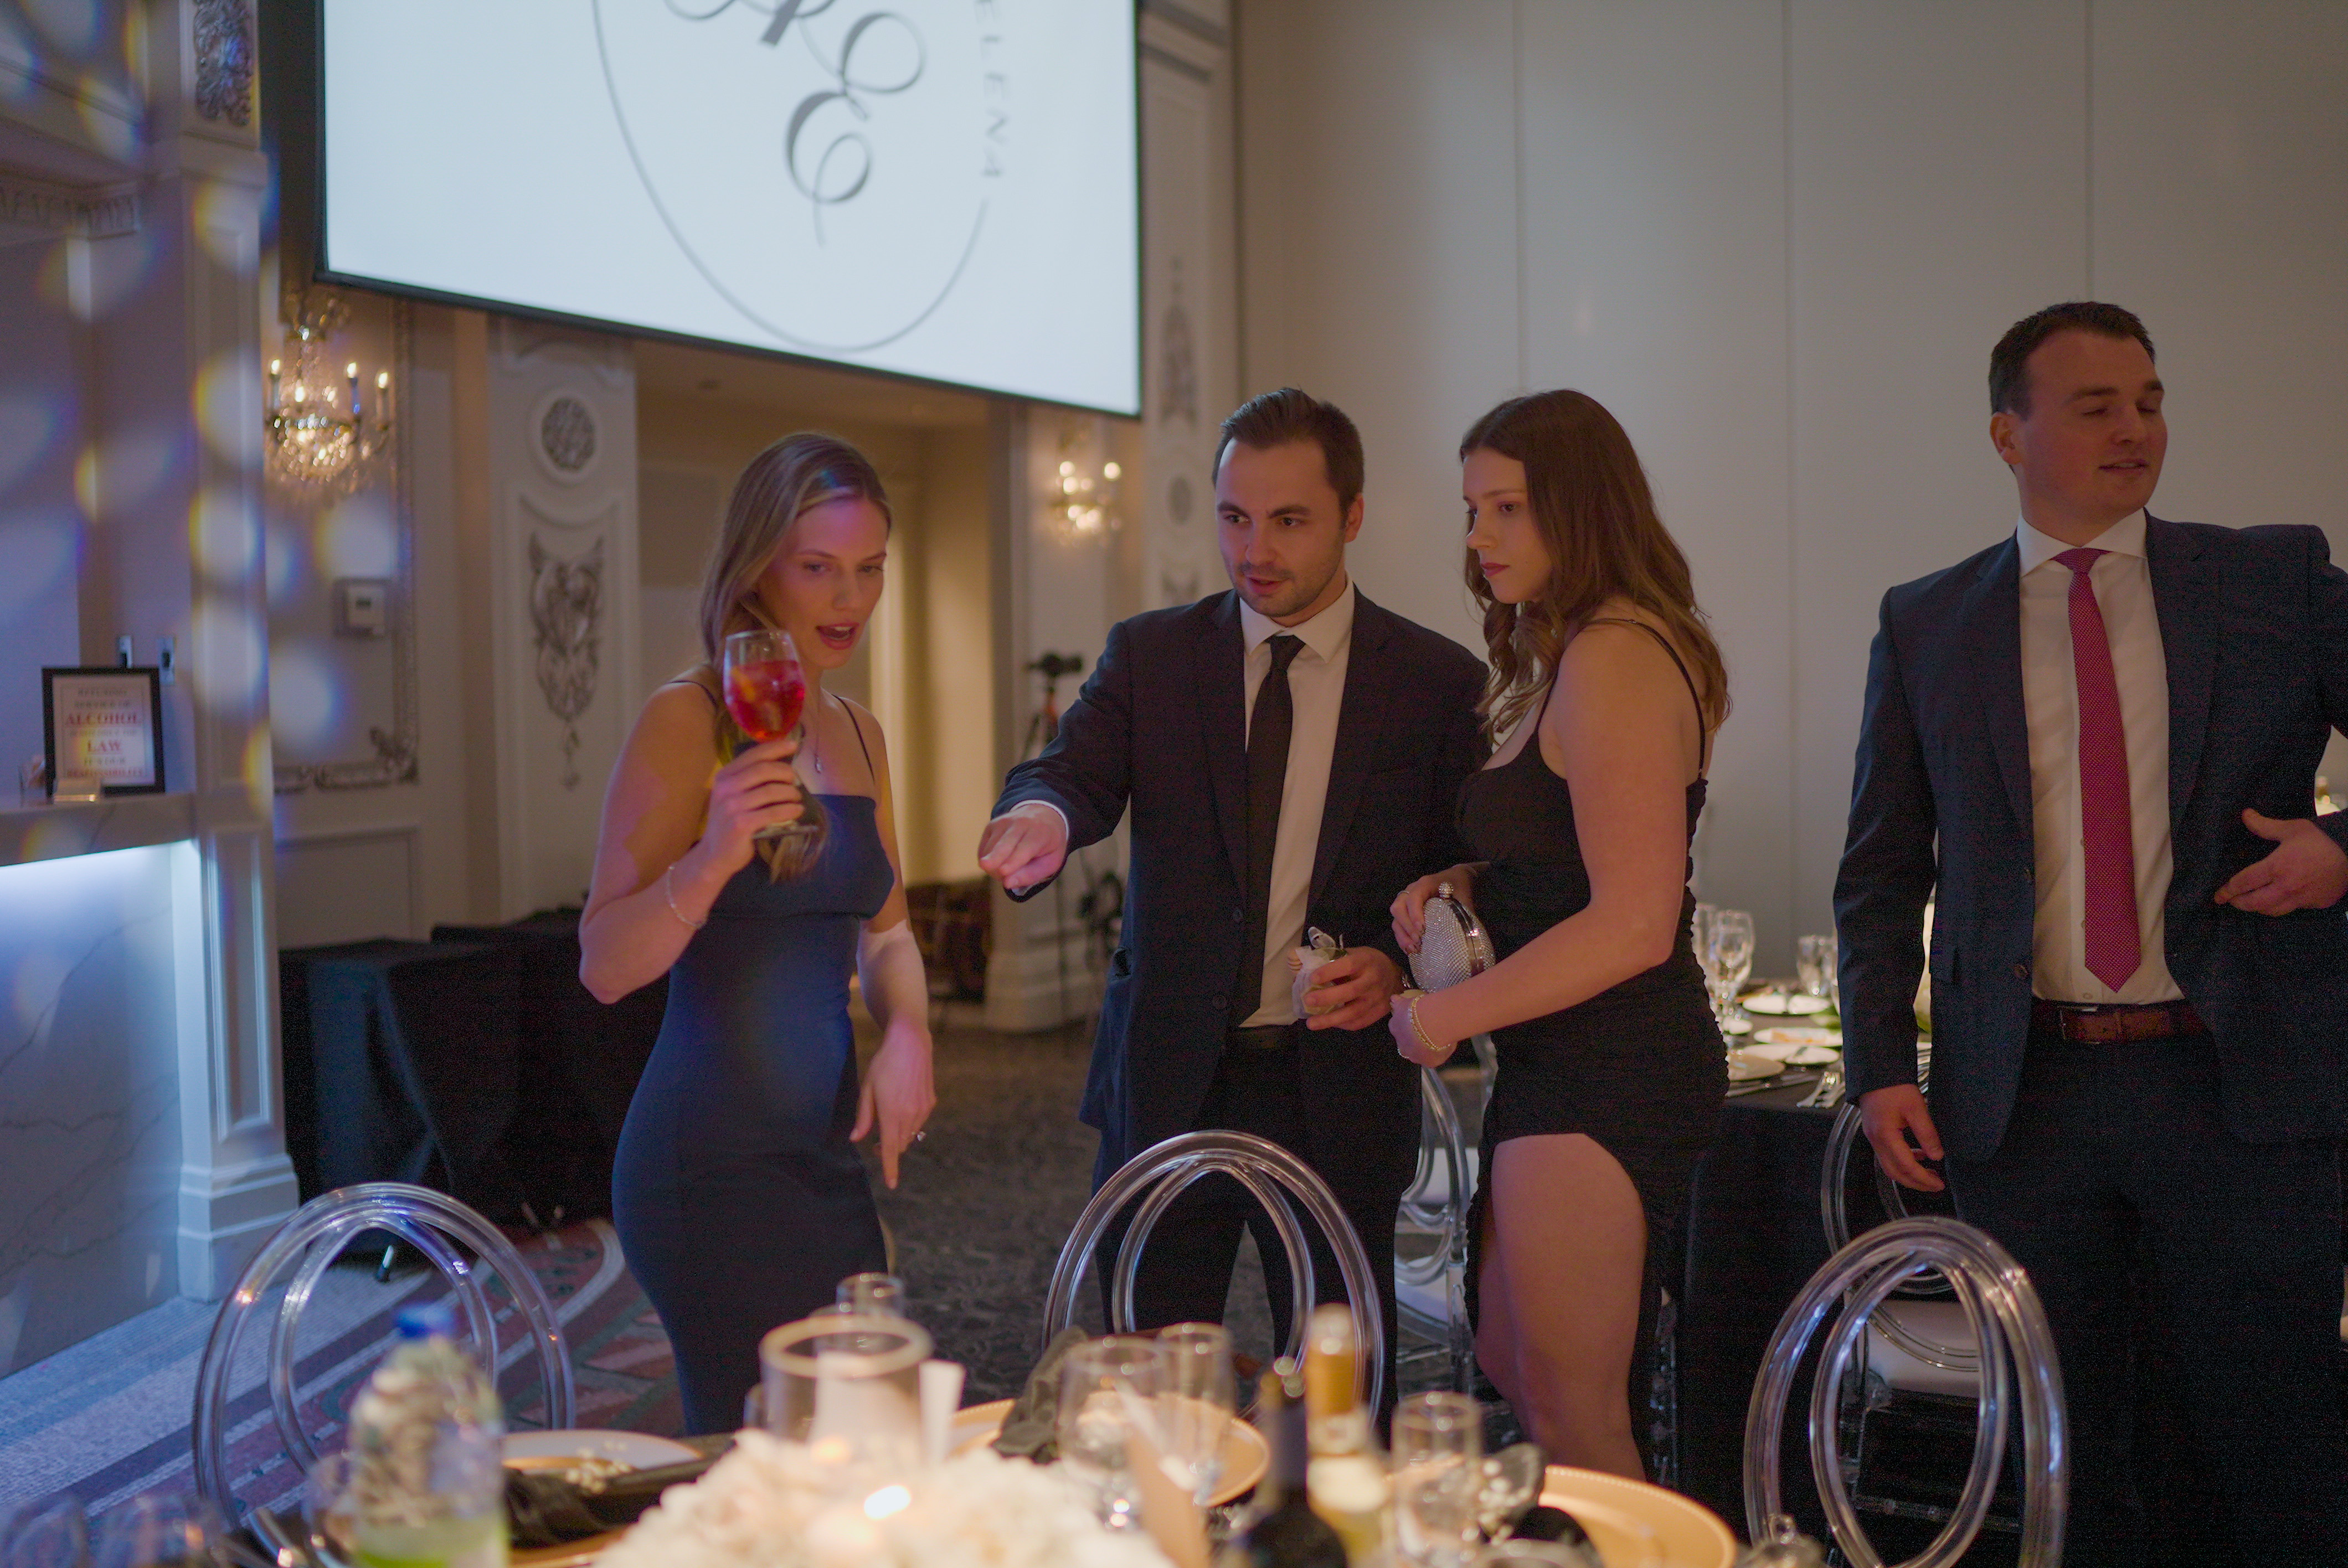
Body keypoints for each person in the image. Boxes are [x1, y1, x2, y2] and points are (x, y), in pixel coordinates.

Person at [1834, 301, 2348, 1564]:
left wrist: (2341, 852)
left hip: (2233, 1082)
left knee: (2269, 1449)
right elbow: (1882, 868)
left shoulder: (2271, 580)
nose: (2136, 428)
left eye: (2150, 401)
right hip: (2026, 1101)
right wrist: (1878, 1064)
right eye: (2096, 406)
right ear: (2007, 435)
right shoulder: (1926, 622)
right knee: (2065, 1459)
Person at [977, 388, 1485, 1393]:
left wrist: (1398, 967)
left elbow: (1466, 873)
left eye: (1289, 520)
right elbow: (1069, 771)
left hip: (1336, 1084)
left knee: (1344, 1393)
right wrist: (1043, 815)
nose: (1255, 550)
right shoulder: (1153, 656)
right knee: (1152, 1387)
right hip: (1170, 1075)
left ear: (1352, 516)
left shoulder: (1435, 684)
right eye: (1234, 517)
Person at [1386, 390, 1728, 1479]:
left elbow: (1633, 922)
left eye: (1507, 508)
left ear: (1579, 507)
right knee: (1518, 1367)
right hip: (1560, 1064)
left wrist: (1442, 1015)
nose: (1478, 537)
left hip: (1608, 1066)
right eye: (1471, 510)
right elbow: (1571, 862)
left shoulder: (1617, 653)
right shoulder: (1579, 649)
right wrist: (1472, 880)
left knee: (1578, 1421)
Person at [578, 434, 935, 1435]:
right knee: (765, 1459)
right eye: (818, 568)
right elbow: (603, 966)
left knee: (860, 1441)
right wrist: (710, 859)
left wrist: (910, 1032)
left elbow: (890, 937)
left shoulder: (859, 731)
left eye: (869, 569)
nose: (850, 600)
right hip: (707, 1165)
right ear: (757, 567)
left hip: (824, 1157)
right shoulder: (686, 718)